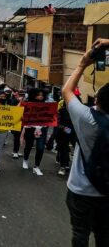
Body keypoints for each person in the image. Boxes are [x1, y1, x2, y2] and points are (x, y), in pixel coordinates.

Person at [62, 38, 109, 247]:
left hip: (81, 190)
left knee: (80, 234)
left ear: (97, 100)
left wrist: (82, 64)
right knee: (104, 235)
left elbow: (67, 92)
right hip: (107, 192)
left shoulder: (86, 118)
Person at [21, 88, 48, 176]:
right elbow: (23, 116)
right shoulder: (28, 104)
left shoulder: (47, 105)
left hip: (42, 129)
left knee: (40, 148)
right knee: (28, 145)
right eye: (38, 95)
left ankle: (36, 166)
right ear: (33, 95)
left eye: (42, 95)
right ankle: (25, 159)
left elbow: (49, 117)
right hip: (30, 128)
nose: (40, 97)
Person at [56, 99, 75, 176]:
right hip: (63, 133)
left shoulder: (77, 112)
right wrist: (64, 128)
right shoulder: (61, 110)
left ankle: (67, 163)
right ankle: (63, 166)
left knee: (74, 149)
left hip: (75, 133)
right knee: (64, 149)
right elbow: (56, 122)